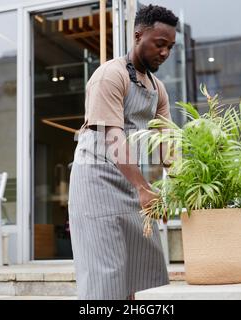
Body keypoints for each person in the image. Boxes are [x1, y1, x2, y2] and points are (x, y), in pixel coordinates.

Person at [68, 4, 178, 300]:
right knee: (105, 274)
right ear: (138, 35)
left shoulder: (158, 88)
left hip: (130, 181)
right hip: (96, 180)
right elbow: (112, 136)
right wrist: (143, 187)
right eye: (160, 44)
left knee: (130, 272)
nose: (165, 53)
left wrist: (184, 186)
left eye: (170, 46)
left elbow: (166, 141)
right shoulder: (110, 76)